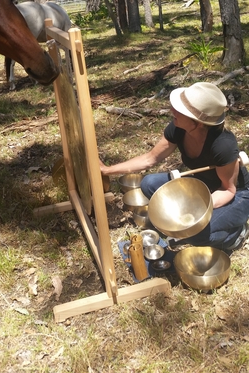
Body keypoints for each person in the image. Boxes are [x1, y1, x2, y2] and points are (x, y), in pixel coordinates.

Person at [100, 82, 249, 253]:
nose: (172, 111)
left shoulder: (223, 145)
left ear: (198, 122)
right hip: (202, 185)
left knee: (195, 234)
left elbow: (228, 190)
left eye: (181, 110)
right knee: (149, 184)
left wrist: (193, 211)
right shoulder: (179, 128)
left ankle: (236, 234)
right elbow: (151, 158)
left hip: (237, 194)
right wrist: (108, 170)